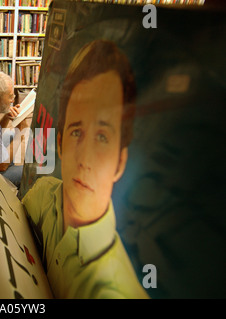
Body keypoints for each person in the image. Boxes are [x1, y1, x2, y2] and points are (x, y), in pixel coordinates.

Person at [22, 40, 149, 298]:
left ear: (120, 162)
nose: (85, 159)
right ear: (60, 143)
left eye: (102, 137)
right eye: (76, 131)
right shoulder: (42, 194)